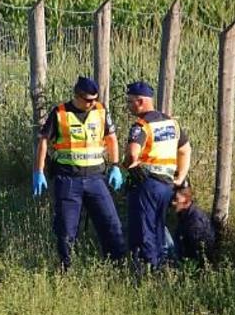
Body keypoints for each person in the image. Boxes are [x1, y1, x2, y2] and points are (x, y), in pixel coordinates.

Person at [33, 76, 126, 269]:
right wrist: (38, 171)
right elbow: (43, 141)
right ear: (77, 96)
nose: (92, 103)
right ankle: (67, 268)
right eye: (88, 100)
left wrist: (115, 165)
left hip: (96, 179)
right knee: (66, 229)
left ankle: (116, 266)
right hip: (68, 179)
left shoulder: (100, 111)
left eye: (95, 99)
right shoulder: (59, 113)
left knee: (111, 224)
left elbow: (111, 138)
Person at [123, 80, 192, 269]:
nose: (128, 106)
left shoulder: (141, 126)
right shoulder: (172, 123)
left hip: (146, 184)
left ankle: (148, 272)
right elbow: (185, 150)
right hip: (167, 185)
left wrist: (126, 165)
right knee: (158, 228)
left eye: (130, 102)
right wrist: (179, 177)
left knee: (144, 231)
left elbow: (132, 153)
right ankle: (164, 266)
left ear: (140, 102)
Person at [172, 185, 215, 265]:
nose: (173, 203)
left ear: (186, 200)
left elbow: (197, 251)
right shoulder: (184, 215)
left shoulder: (195, 221)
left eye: (176, 200)